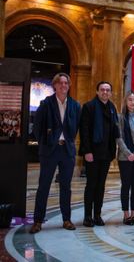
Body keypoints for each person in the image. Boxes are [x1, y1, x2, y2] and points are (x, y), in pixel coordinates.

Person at [30, 73, 81, 234]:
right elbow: (37, 128)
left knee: (66, 187)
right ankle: (38, 221)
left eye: (66, 83)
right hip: (50, 151)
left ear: (69, 85)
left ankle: (66, 219)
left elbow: (76, 126)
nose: (63, 85)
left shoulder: (75, 105)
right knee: (44, 186)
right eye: (60, 83)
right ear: (55, 85)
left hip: (67, 151)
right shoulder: (46, 104)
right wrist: (46, 142)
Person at [80, 81, 119, 227]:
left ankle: (97, 215)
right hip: (93, 153)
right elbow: (84, 132)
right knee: (91, 184)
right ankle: (87, 216)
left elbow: (115, 129)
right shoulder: (89, 107)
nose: (105, 92)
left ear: (110, 93)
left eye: (108, 90)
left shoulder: (112, 108)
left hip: (106, 153)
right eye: (102, 89)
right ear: (97, 92)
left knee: (101, 185)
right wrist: (87, 151)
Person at [116, 91, 134, 225]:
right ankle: (126, 214)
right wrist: (128, 154)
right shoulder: (120, 117)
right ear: (125, 101)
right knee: (126, 185)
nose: (132, 102)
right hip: (125, 157)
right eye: (130, 99)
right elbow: (119, 137)